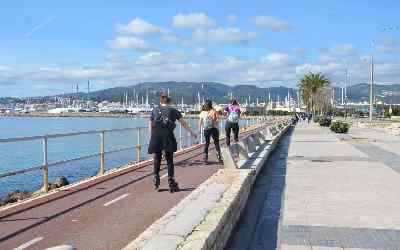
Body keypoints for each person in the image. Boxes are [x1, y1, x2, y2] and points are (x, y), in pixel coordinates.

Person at [148, 92, 197, 192]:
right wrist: (191, 132)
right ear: (169, 100)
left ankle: (156, 178)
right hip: (168, 136)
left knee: (157, 158)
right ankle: (171, 181)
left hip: (156, 136)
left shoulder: (154, 110)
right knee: (169, 160)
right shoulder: (173, 111)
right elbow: (183, 123)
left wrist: (152, 137)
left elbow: (150, 125)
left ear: (160, 100)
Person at [199, 100, 223, 164]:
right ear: (211, 105)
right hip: (214, 129)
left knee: (207, 143)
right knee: (216, 143)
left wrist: (199, 129)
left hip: (206, 129)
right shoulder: (214, 111)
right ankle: (219, 158)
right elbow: (217, 120)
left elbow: (200, 122)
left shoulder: (202, 112)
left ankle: (205, 158)